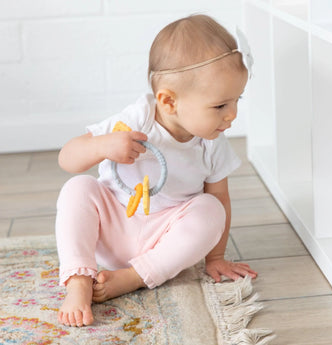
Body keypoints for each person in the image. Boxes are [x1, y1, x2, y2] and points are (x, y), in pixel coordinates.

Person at [56, 14, 258, 328]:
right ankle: (79, 279)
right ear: (168, 101)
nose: (232, 116)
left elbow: (221, 199)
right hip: (113, 227)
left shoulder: (211, 142)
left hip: (165, 243)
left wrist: (215, 258)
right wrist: (104, 146)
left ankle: (133, 277)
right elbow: (67, 158)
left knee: (211, 209)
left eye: (236, 101)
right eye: (220, 106)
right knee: (78, 188)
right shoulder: (138, 120)